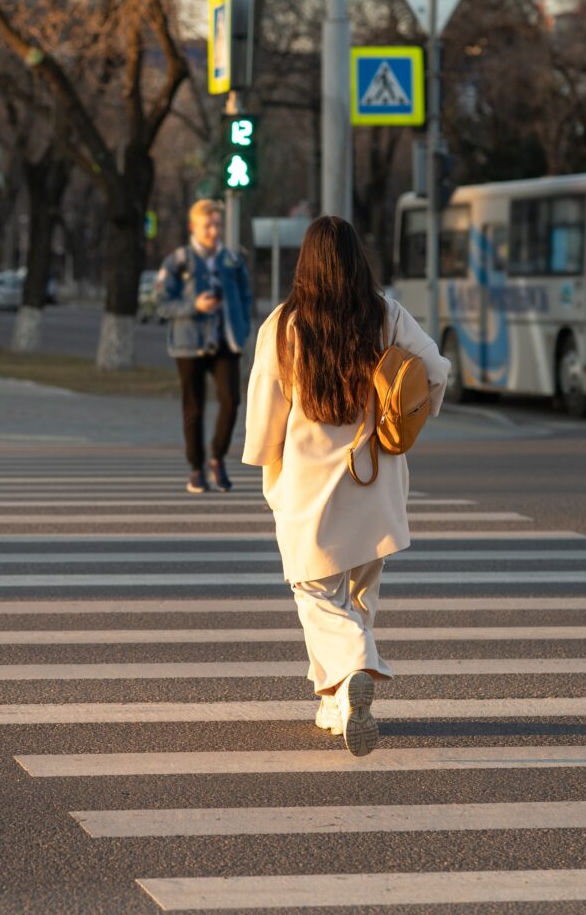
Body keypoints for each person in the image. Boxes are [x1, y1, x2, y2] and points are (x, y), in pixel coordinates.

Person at [242, 215, 449, 756]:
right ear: (358, 260)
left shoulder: (285, 325)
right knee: (357, 593)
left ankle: (356, 667)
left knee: (316, 594)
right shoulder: (386, 316)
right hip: (376, 480)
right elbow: (436, 370)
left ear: (305, 263)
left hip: (310, 487)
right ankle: (336, 703)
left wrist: (267, 468)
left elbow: (266, 410)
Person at [156, 199, 254, 493]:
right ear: (193, 228)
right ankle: (196, 468)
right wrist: (193, 306)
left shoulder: (232, 260)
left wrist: (243, 328)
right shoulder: (179, 260)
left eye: (217, 225)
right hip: (190, 343)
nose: (213, 231)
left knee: (231, 401)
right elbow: (161, 303)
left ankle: (218, 458)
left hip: (226, 340)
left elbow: (246, 297)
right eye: (207, 225)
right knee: (194, 407)